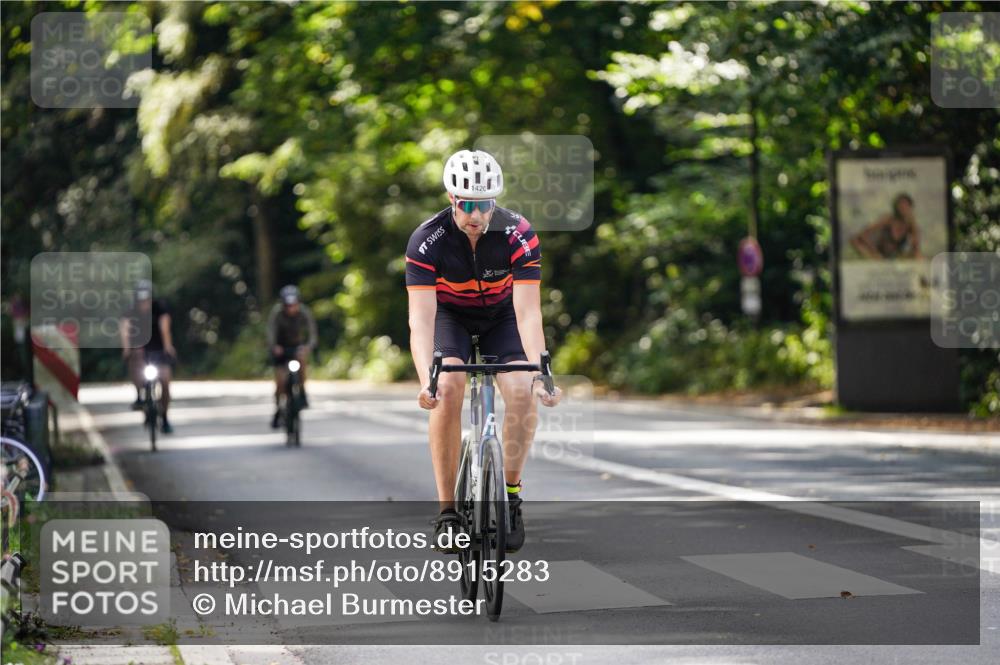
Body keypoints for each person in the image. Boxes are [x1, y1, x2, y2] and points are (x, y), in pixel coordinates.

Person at [406, 149, 561, 554]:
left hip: (502, 318)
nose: (476, 215)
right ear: (451, 198)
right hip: (450, 318)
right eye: (467, 205)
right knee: (449, 388)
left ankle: (510, 497)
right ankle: (448, 513)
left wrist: (542, 374)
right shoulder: (427, 240)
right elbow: (421, 321)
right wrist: (428, 380)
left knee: (523, 391)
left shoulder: (519, 233)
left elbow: (528, 314)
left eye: (485, 204)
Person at [120, 279, 176, 434]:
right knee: (134, 359)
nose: (145, 303)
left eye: (147, 300)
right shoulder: (131, 311)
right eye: (141, 301)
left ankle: (164, 417)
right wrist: (126, 348)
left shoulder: (160, 308)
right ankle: (139, 394)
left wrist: (168, 346)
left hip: (158, 348)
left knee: (165, 381)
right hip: (140, 349)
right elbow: (125, 330)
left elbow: (164, 328)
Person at [267, 285, 317, 428]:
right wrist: (274, 346)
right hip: (281, 350)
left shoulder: (304, 313)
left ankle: (302, 391)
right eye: (288, 305)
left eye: (293, 305)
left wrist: (308, 346)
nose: (291, 308)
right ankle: (278, 409)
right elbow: (271, 332)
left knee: (301, 364)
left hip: (297, 348)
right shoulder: (277, 314)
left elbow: (312, 333)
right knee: (280, 382)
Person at [850, 193, 922, 260]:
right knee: (855, 241)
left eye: (906, 205)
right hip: (879, 254)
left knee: (917, 257)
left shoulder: (911, 223)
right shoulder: (888, 219)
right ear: (896, 206)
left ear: (910, 207)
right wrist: (873, 251)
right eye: (901, 205)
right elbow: (862, 235)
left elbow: (916, 248)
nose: (903, 208)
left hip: (895, 256)